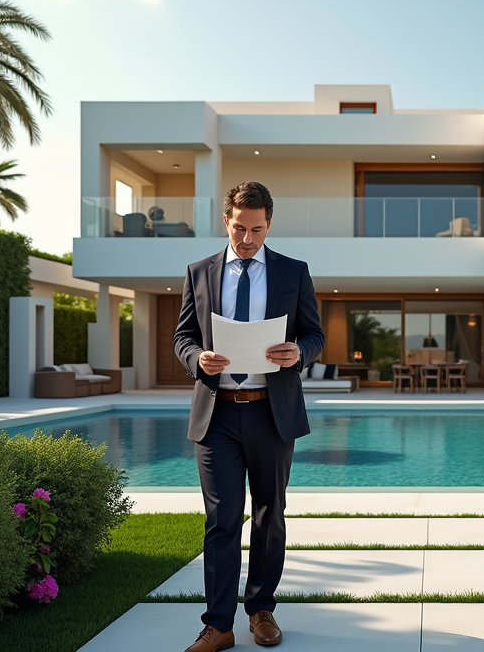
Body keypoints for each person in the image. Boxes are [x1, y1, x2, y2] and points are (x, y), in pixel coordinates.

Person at [174, 181, 324, 651]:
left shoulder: (293, 272)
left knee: (268, 514)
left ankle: (261, 611)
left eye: (256, 230)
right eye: (239, 228)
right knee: (221, 520)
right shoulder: (198, 272)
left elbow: (315, 336)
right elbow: (182, 338)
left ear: (269, 224)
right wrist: (197, 358)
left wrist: (297, 352)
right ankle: (218, 625)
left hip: (270, 414)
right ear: (226, 221)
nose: (247, 239)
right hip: (216, 415)